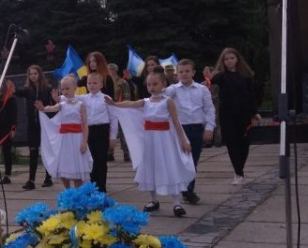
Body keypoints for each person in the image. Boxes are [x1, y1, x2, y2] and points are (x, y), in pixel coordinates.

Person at [106, 67, 195, 217]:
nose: (151, 87)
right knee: (150, 167)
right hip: (150, 141)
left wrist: (183, 141)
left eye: (155, 84)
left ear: (163, 84)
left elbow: (176, 122)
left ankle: (176, 203)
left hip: (165, 141)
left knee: (169, 167)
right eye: (149, 85)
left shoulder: (168, 101)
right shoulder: (145, 102)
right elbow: (129, 104)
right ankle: (153, 200)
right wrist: (114, 104)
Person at [204, 48, 261, 184]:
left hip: (244, 113)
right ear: (223, 62)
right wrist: (209, 77)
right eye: (226, 59)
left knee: (244, 143)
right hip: (227, 114)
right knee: (232, 142)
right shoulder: (221, 76)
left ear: (237, 59)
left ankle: (240, 168)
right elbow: (210, 85)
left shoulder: (245, 75)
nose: (229, 61)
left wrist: (255, 112)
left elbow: (251, 95)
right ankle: (238, 172)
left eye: (232, 58)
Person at [165, 59, 216, 204]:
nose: (184, 74)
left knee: (193, 160)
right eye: (181, 71)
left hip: (196, 128)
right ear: (177, 73)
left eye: (187, 71)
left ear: (193, 72)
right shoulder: (173, 89)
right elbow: (162, 95)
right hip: (180, 129)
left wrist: (209, 128)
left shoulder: (202, 89)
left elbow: (209, 109)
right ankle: (186, 190)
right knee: (181, 160)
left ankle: (189, 188)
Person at [35, 75, 92, 189]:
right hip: (64, 141)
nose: (65, 91)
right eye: (63, 89)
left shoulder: (81, 105)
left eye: (67, 88)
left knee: (77, 166)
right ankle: (67, 190)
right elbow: (51, 108)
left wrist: (84, 142)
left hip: (77, 139)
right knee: (64, 165)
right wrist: (42, 108)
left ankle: (78, 192)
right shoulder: (62, 105)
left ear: (75, 88)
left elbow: (85, 125)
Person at [13, 65, 54, 190]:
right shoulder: (27, 90)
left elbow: (53, 106)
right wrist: (9, 87)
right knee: (33, 151)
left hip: (45, 124)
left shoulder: (47, 89)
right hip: (32, 124)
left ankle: (48, 177)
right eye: (31, 74)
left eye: (35, 73)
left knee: (46, 151)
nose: (33, 76)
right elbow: (17, 92)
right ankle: (31, 180)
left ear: (40, 74)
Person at [77, 72, 114, 193]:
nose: (91, 85)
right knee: (90, 159)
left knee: (101, 160)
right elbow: (70, 98)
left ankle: (102, 187)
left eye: (95, 83)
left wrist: (112, 137)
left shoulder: (106, 99)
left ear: (101, 84)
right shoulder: (83, 98)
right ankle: (92, 186)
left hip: (102, 130)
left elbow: (114, 118)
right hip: (88, 131)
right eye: (89, 83)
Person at [109, 63, 131, 162]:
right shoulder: (107, 82)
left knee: (123, 133)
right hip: (109, 110)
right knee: (110, 132)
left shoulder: (123, 83)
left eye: (110, 69)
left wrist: (122, 106)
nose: (109, 71)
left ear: (115, 70)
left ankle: (126, 153)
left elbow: (127, 97)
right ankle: (110, 153)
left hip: (120, 109)